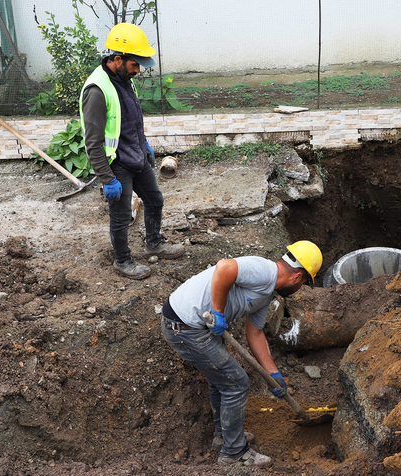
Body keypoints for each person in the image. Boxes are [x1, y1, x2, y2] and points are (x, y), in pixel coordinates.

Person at [160, 240, 323, 467]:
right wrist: (218, 311)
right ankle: (234, 452)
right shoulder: (265, 271)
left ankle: (223, 435)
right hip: (184, 326)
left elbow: (255, 334)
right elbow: (224, 267)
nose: (299, 288)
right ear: (297, 277)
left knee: (222, 380)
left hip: (198, 326)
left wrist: (273, 373)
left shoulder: (266, 294)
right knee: (236, 383)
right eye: (304, 283)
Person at [80, 23, 184, 279]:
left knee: (155, 200)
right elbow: (93, 141)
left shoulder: (124, 79)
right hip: (117, 164)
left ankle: (154, 243)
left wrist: (143, 143)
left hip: (135, 156)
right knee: (121, 215)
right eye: (135, 64)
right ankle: (122, 261)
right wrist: (106, 178)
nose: (138, 70)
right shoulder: (97, 90)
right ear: (118, 59)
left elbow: (130, 119)